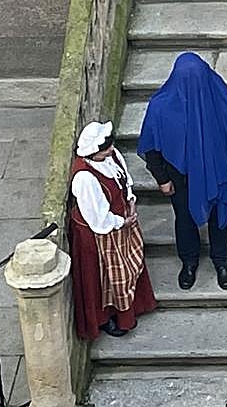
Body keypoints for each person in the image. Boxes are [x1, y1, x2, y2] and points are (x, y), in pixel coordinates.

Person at [138, 53, 227, 291]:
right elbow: (152, 146)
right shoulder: (160, 107)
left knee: (220, 215)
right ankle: (189, 262)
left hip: (216, 167)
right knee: (185, 219)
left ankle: (221, 260)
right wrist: (162, 179)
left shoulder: (218, 95)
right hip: (179, 175)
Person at [69, 120, 156, 339]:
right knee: (104, 277)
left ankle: (132, 305)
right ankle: (105, 317)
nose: (110, 150)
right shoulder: (85, 178)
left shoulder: (111, 155)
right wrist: (121, 222)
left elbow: (124, 181)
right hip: (97, 235)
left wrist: (130, 201)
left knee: (129, 264)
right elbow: (97, 218)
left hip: (121, 222)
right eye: (104, 148)